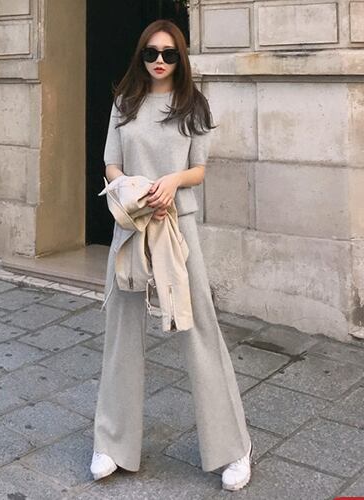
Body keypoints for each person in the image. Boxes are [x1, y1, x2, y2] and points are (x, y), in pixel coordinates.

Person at [91, 19, 253, 492]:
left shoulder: (193, 105)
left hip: (178, 226)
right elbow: (111, 163)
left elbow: (198, 169)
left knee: (199, 327)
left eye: (168, 53)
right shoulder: (125, 101)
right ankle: (111, 444)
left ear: (181, 58)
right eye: (151, 53)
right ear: (140, 55)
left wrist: (171, 182)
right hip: (131, 225)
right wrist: (135, 187)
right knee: (121, 331)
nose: (159, 61)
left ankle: (233, 447)